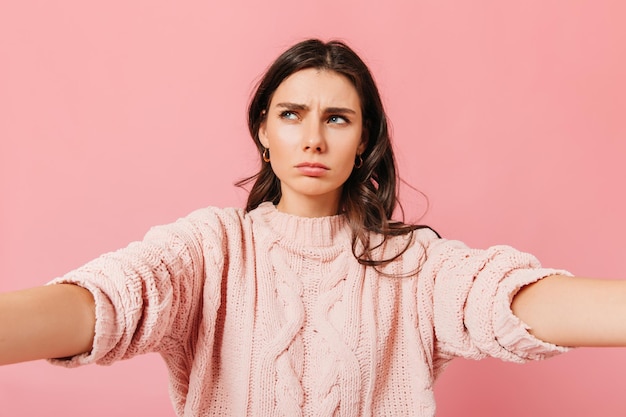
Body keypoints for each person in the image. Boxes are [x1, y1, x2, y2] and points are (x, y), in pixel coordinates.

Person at [0, 38, 625, 417]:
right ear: (264, 133)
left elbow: (511, 300)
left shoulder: (410, 266)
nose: (313, 138)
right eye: (292, 114)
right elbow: (105, 304)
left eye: (338, 118)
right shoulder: (214, 249)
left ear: (364, 141)